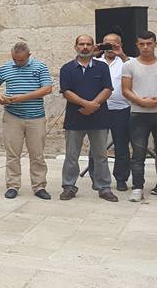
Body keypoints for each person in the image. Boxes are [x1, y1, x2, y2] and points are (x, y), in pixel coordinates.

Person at [0, 42, 53, 200]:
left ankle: (39, 186)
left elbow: (47, 88)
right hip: (12, 117)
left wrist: (22, 98)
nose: (17, 62)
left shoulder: (40, 67)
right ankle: (12, 185)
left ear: (29, 55)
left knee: (37, 154)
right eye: (15, 59)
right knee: (12, 154)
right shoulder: (5, 68)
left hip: (36, 117)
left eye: (21, 60)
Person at [58, 35, 117, 202]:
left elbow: (108, 89)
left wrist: (94, 105)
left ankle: (104, 187)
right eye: (81, 44)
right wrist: (87, 104)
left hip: (99, 118)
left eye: (88, 44)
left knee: (101, 155)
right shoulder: (67, 69)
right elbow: (66, 92)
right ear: (75, 47)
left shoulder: (102, 67)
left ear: (93, 47)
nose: (85, 47)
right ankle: (69, 186)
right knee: (71, 155)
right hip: (75, 118)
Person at [89, 32, 132, 191]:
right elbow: (79, 66)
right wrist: (92, 53)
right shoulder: (95, 62)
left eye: (114, 44)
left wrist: (122, 54)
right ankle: (96, 178)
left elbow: (137, 71)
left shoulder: (127, 62)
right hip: (99, 108)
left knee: (121, 146)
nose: (110, 47)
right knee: (96, 146)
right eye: (107, 44)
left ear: (120, 45)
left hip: (121, 109)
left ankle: (121, 178)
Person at [122, 31, 157, 202]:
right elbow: (125, 89)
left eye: (149, 43)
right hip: (138, 114)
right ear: (137, 45)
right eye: (142, 44)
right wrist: (141, 101)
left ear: (155, 44)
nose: (145, 47)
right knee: (138, 153)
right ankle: (137, 187)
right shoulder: (129, 65)